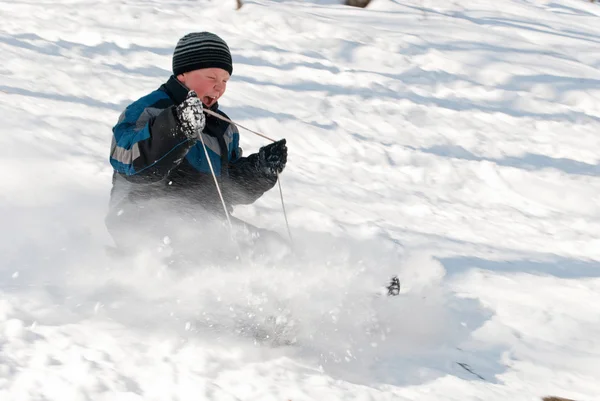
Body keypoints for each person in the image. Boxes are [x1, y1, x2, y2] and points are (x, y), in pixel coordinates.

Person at [105, 32, 288, 253]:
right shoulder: (148, 110)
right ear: (183, 74)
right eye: (212, 78)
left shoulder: (224, 129)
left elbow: (227, 190)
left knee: (272, 248)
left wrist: (259, 171)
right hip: (143, 218)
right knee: (194, 239)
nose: (219, 87)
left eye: (225, 80)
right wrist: (176, 127)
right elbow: (128, 159)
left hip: (204, 221)